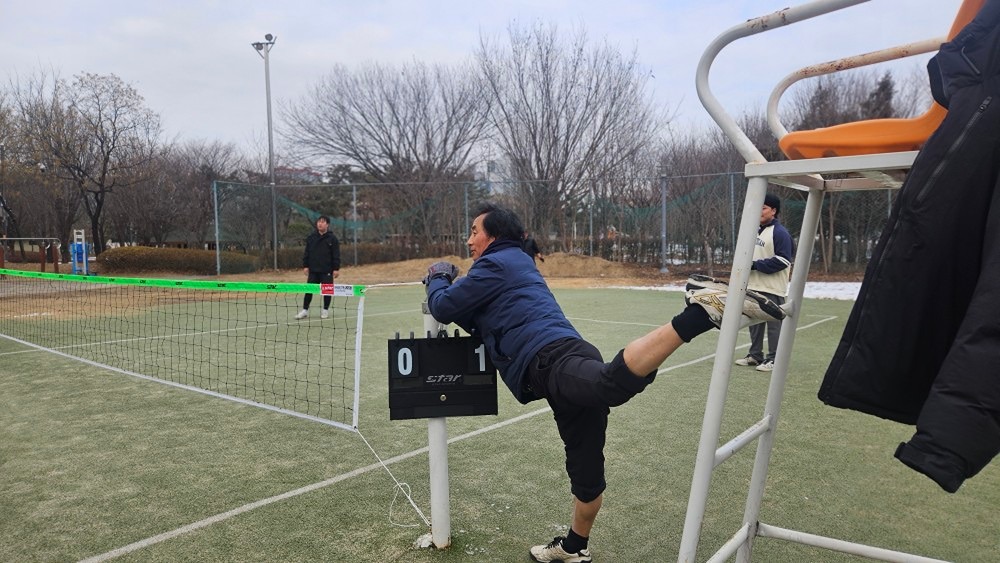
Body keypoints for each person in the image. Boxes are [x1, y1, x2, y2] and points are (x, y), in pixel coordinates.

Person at [424, 203, 784, 562]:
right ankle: (573, 547)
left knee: (610, 386)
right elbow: (469, 311)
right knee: (587, 471)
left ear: (494, 236)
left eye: (474, 231)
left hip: (551, 361)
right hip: (563, 361)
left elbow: (443, 307)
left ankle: (698, 313)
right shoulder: (512, 263)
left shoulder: (494, 263)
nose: (468, 240)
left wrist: (438, 276)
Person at [734, 193, 793, 373]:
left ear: (774, 211)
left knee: (774, 325)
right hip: (753, 287)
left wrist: (755, 265)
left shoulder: (780, 232)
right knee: (754, 323)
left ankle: (774, 359)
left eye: (764, 208)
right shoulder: (755, 230)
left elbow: (784, 261)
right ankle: (755, 355)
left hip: (772, 288)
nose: (760, 211)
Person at [294, 215, 341, 320]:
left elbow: (336, 255)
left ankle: (325, 310)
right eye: (319, 222)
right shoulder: (311, 237)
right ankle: (305, 310)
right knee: (309, 290)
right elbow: (307, 253)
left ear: (327, 224)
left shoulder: (332, 239)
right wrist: (306, 266)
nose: (320, 223)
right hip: (313, 270)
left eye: (323, 222)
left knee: (327, 291)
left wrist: (336, 269)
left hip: (327, 271)